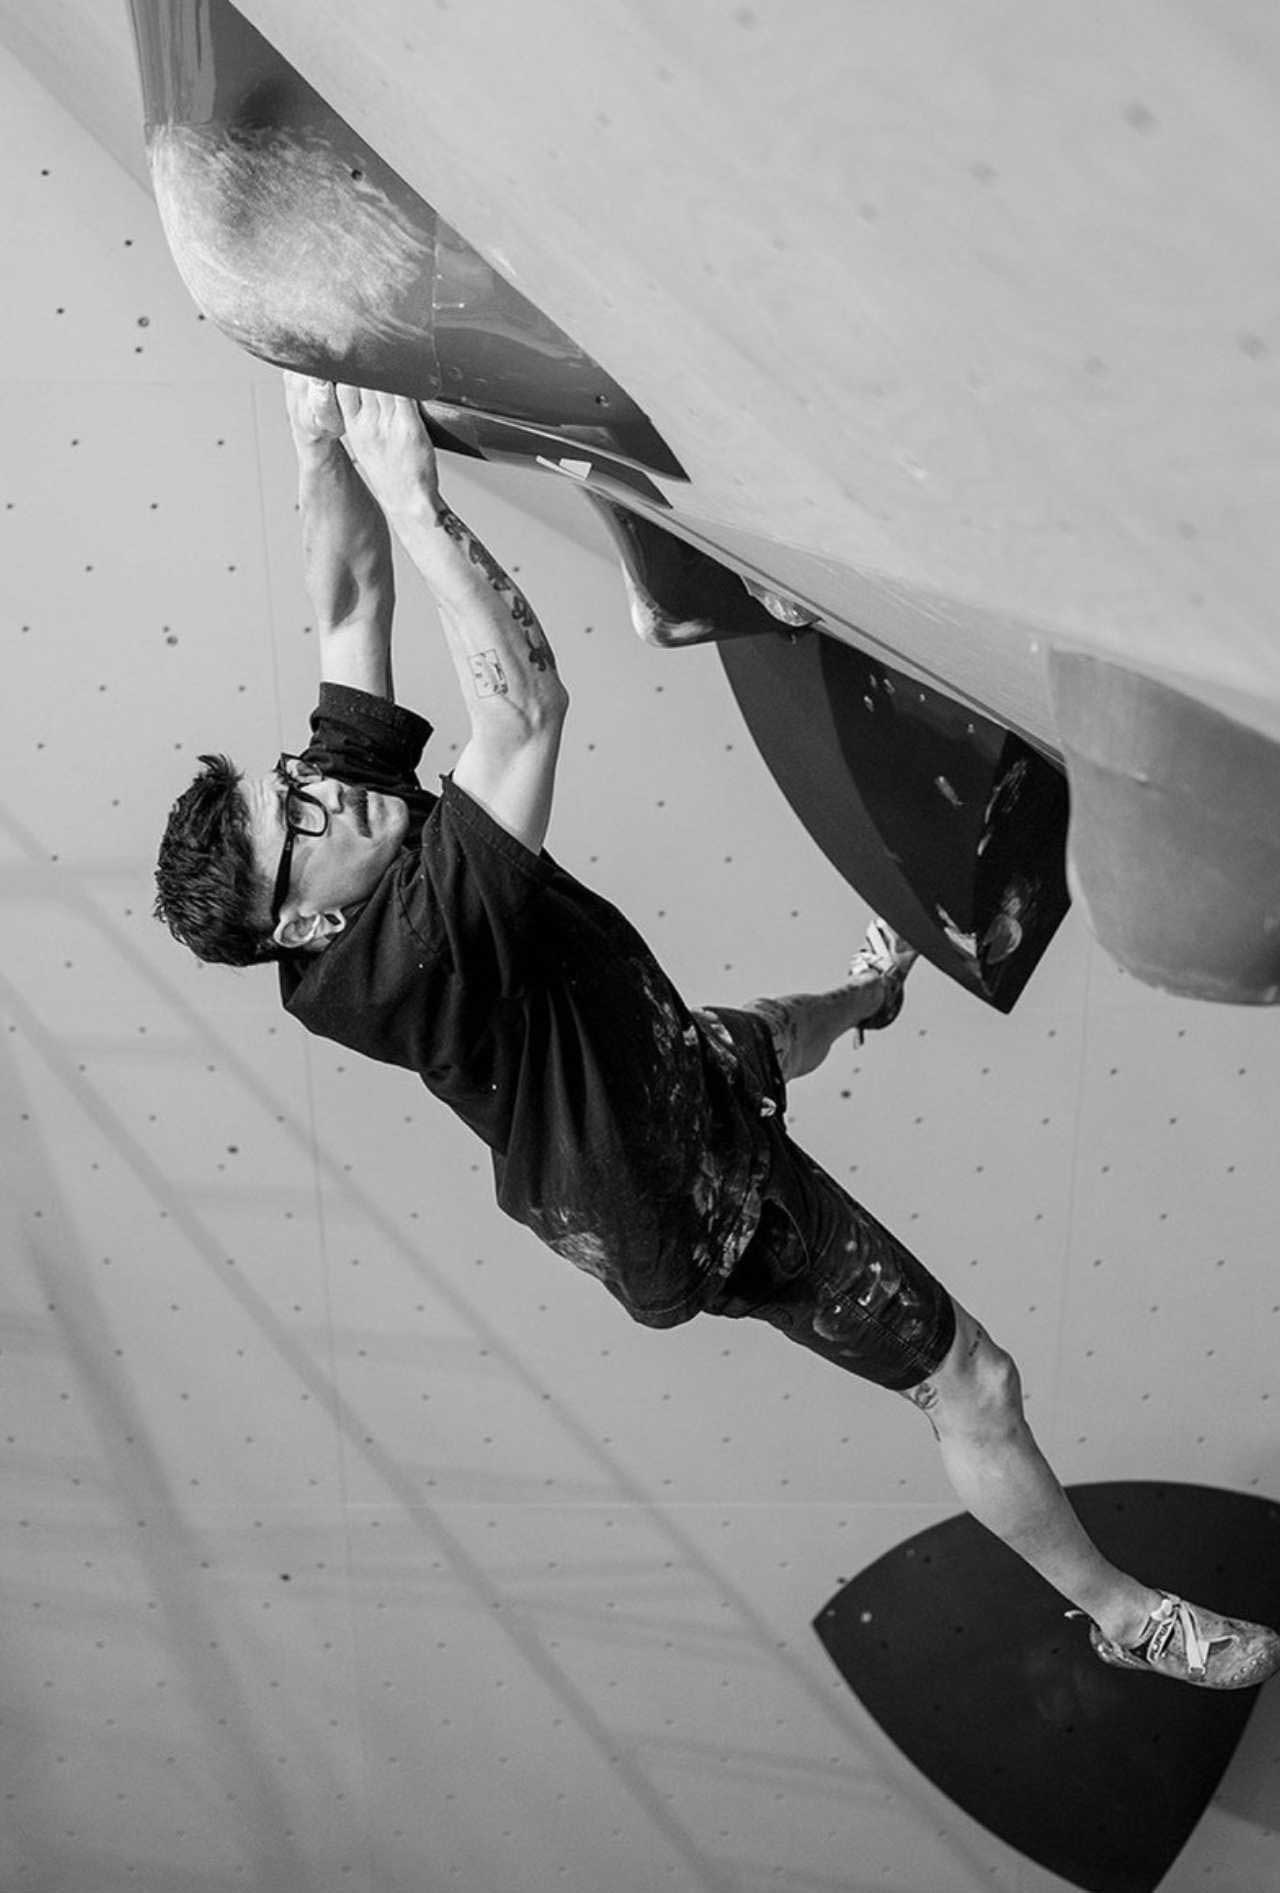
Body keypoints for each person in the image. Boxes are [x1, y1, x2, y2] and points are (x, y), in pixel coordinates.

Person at [155, 375, 1278, 1693]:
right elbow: (525, 710)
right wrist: (412, 492)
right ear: (303, 927)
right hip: (671, 1194)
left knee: (767, 1037)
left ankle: (871, 993)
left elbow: (347, 604)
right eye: (299, 821)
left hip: (652, 1051)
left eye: (291, 783)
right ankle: (1127, 1616)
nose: (322, 794)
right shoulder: (404, 961)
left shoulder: (335, 830)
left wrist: (317, 439)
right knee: (971, 1376)